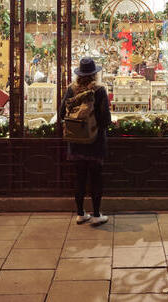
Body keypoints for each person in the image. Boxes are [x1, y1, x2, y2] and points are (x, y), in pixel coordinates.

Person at [59, 57, 111, 225]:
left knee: (79, 177)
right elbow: (105, 119)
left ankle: (81, 213)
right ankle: (96, 214)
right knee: (96, 177)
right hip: (95, 141)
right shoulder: (100, 90)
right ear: (94, 74)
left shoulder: (71, 89)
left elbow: (61, 114)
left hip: (76, 141)